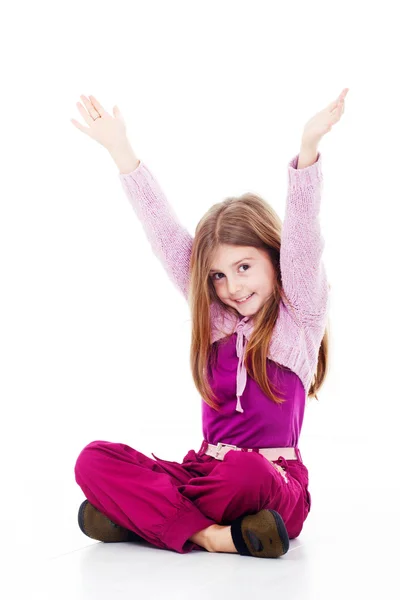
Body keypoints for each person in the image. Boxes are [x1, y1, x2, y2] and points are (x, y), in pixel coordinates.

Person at [71, 88, 349, 559]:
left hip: (271, 482)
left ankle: (148, 517)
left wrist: (307, 152)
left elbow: (304, 239)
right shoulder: (216, 317)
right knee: (92, 460)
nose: (232, 287)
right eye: (218, 276)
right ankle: (213, 535)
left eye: (244, 267)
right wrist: (121, 150)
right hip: (204, 471)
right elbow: (163, 233)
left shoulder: (298, 316)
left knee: (247, 474)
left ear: (273, 259)